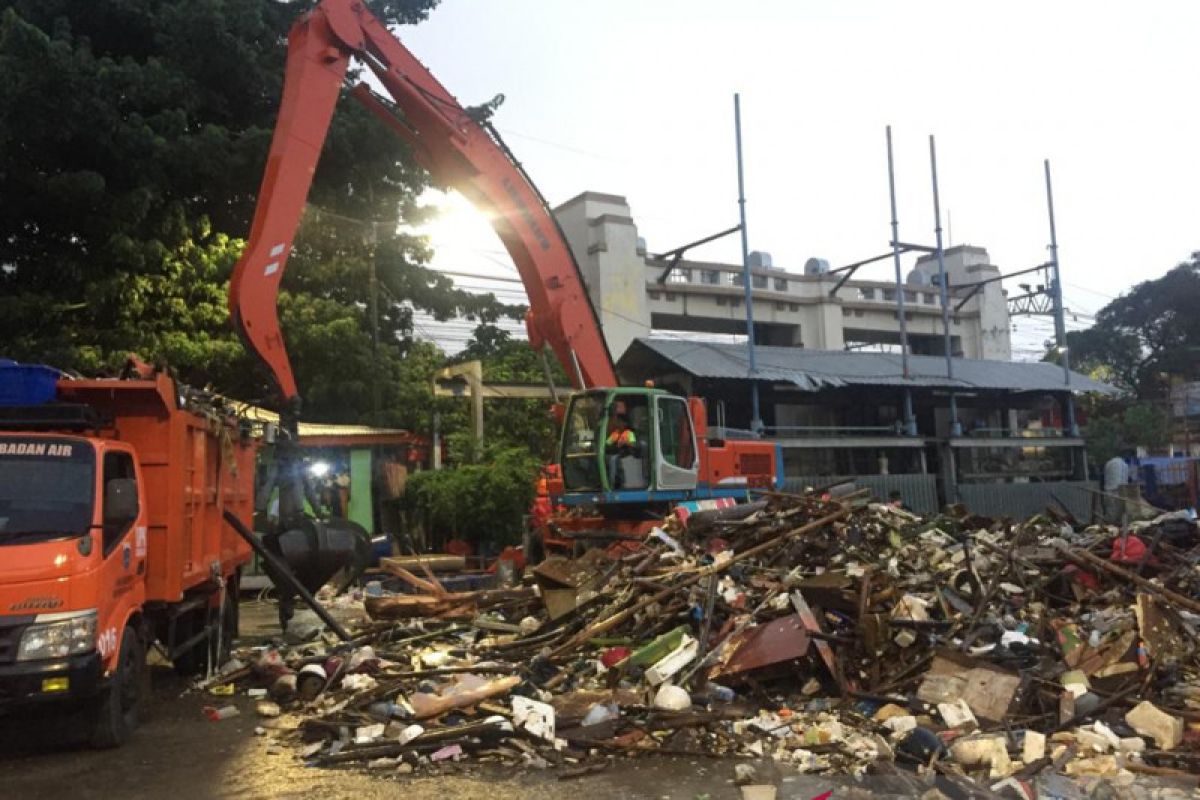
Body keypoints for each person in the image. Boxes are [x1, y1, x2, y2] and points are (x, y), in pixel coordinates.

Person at [605, 414, 638, 488]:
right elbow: (607, 443)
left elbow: (633, 444)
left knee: (613, 460)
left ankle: (611, 484)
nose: (618, 424)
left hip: (626, 453)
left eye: (620, 422)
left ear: (625, 423)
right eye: (617, 422)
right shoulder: (615, 433)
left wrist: (626, 443)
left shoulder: (629, 433)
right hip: (617, 452)